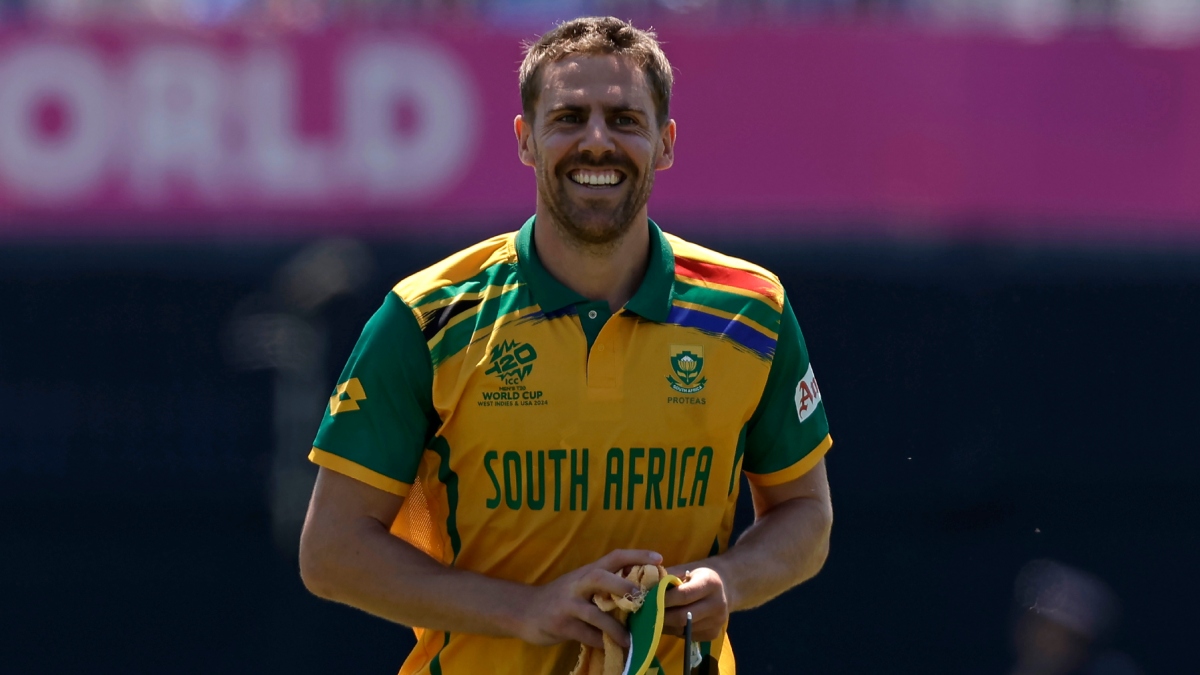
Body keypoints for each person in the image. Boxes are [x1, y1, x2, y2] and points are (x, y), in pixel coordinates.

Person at [298, 16, 833, 675]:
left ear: (666, 143)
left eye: (625, 120)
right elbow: (332, 552)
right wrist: (526, 609)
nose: (597, 142)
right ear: (526, 139)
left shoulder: (751, 310)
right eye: (570, 118)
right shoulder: (429, 317)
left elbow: (806, 514)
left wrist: (731, 580)